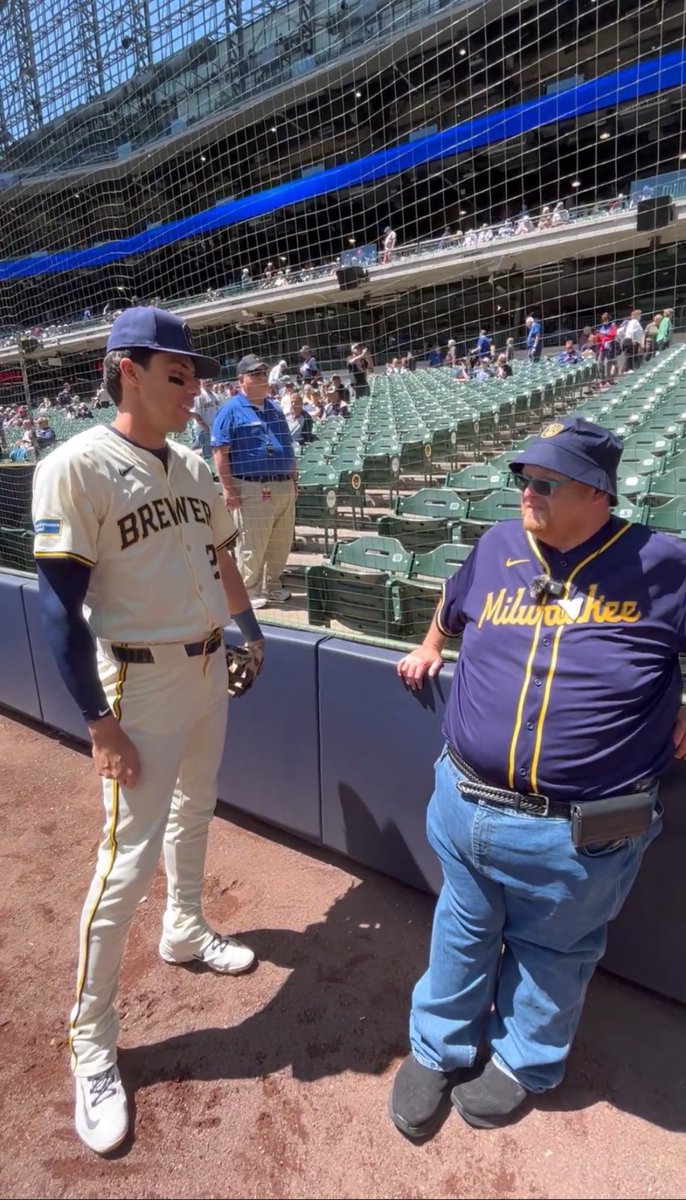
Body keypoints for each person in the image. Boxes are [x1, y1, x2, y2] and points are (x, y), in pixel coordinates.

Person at [388, 417, 686, 1139]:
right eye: (523, 478)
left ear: (596, 492)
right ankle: (438, 1045)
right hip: (464, 802)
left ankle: (526, 1062)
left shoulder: (665, 564)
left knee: (556, 953)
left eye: (545, 482)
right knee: (460, 928)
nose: (526, 492)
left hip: (581, 830)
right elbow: (452, 601)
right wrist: (430, 644)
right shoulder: (496, 545)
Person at [32, 307, 265, 1155]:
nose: (192, 387)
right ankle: (91, 1047)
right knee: (123, 864)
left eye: (195, 373)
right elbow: (57, 612)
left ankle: (187, 929)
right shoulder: (77, 466)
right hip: (136, 680)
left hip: (207, 666)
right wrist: (97, 724)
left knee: (195, 809)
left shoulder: (197, 466)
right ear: (126, 370)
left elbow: (219, 560)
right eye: (177, 373)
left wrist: (250, 627)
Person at [212, 354, 296, 610]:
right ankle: (248, 591)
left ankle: (272, 586)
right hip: (252, 486)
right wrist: (228, 488)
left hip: (283, 485)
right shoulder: (229, 409)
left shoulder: (274, 408)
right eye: (254, 374)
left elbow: (288, 446)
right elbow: (219, 453)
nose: (261, 377)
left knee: (280, 541)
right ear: (241, 380)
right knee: (253, 543)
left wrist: (294, 479)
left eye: (263, 373)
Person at [189, 378, 221, 461]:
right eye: (206, 380)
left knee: (212, 453)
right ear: (201, 381)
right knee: (207, 455)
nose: (209, 381)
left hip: (214, 429)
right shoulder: (199, 395)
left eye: (210, 379)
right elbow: (195, 413)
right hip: (204, 430)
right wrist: (205, 428)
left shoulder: (215, 395)